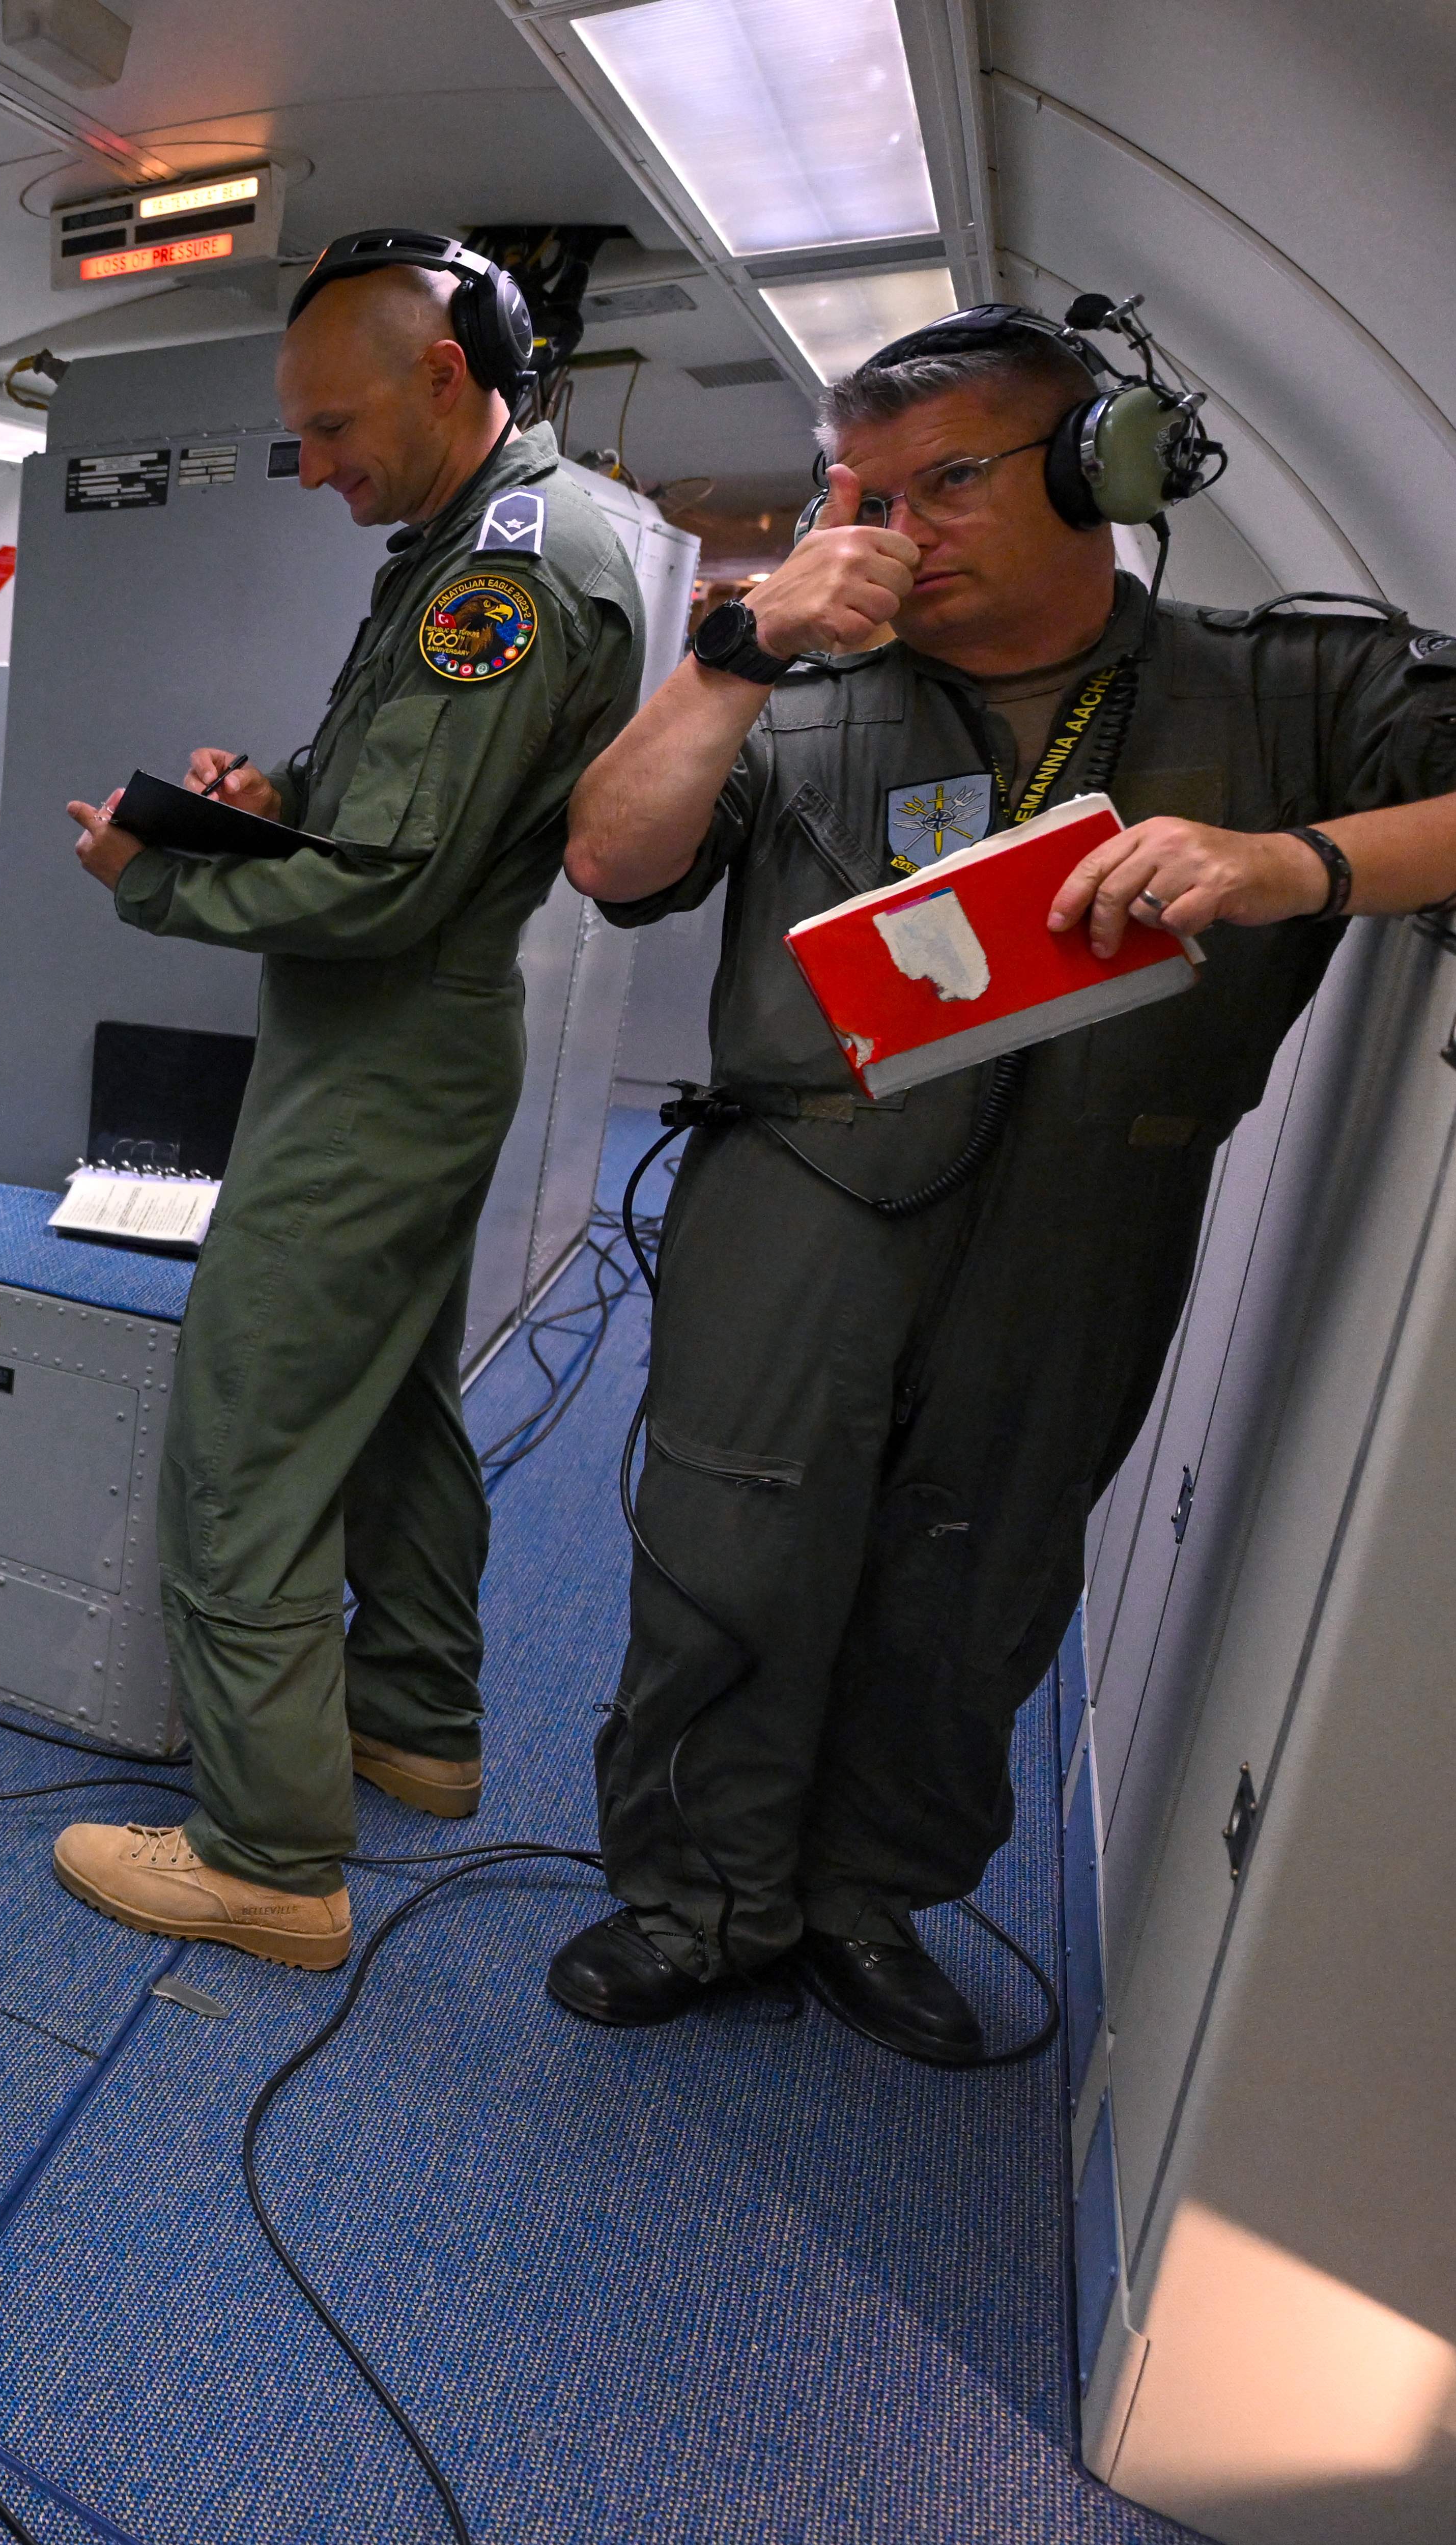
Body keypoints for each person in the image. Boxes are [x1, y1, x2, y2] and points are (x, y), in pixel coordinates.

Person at [551, 300, 1456, 2061]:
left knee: (979, 1573)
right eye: (858, 496)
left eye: (944, 484)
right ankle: (697, 1901)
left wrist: (1292, 863)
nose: (893, 534)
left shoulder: (1282, 684)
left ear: (1097, 467)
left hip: (1087, 1213)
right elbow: (612, 853)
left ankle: (862, 1905)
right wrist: (733, 651)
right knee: (729, 1546)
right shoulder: (795, 696)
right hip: (800, 1189)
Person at [48, 231, 651, 1969]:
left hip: (387, 1048)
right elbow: (387, 796)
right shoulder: (463, 542)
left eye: (327, 430)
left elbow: (386, 883)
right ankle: (414, 1724)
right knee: (388, 1409)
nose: (312, 469)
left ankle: (265, 1856)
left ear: (445, 374)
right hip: (399, 1046)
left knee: (242, 1438)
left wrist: (153, 881)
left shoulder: (507, 576)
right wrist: (267, 792)